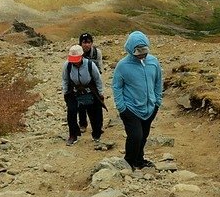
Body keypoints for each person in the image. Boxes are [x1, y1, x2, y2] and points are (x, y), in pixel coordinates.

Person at [112, 31, 163, 170]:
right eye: (138, 51)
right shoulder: (123, 65)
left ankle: (139, 160)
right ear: (130, 49)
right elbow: (116, 86)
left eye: (144, 51)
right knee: (135, 135)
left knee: (144, 135)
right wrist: (121, 107)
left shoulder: (153, 62)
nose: (141, 54)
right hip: (130, 109)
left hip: (150, 107)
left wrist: (157, 101)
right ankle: (128, 162)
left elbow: (158, 81)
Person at [62, 44, 104, 146]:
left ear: (82, 56)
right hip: (74, 92)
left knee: (94, 114)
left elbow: (98, 79)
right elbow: (65, 80)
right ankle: (73, 135)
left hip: (90, 91)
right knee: (71, 113)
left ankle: (96, 134)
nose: (74, 62)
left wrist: (100, 93)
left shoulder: (90, 65)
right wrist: (65, 92)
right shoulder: (67, 65)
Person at [77, 32, 103, 133]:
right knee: (81, 104)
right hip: (80, 82)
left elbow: (100, 68)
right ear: (80, 44)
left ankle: (98, 126)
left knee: (98, 104)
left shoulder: (97, 53)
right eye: (84, 42)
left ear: (92, 43)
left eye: (88, 42)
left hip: (93, 82)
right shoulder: (77, 53)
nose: (86, 45)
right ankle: (83, 124)